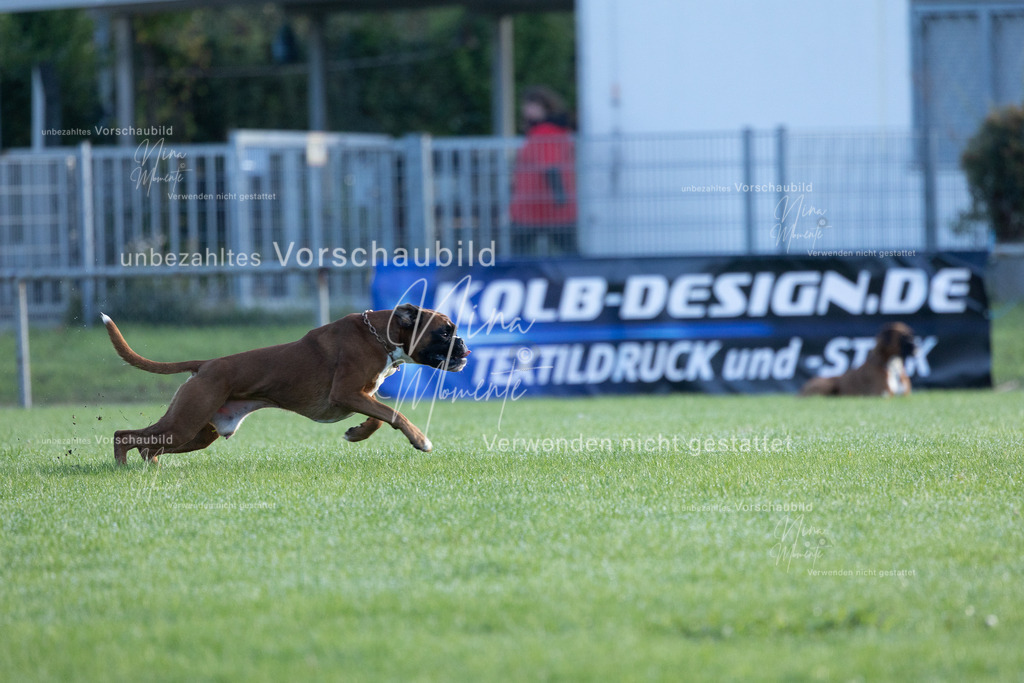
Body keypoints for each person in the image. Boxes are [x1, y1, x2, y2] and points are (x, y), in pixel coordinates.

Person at [509, 85, 577, 256]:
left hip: (538, 208)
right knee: (569, 252)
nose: (526, 109)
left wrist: (559, 195)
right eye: (526, 105)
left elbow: (550, 165)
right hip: (544, 208)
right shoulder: (552, 132)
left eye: (533, 105)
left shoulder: (544, 133)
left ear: (545, 108)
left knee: (517, 254)